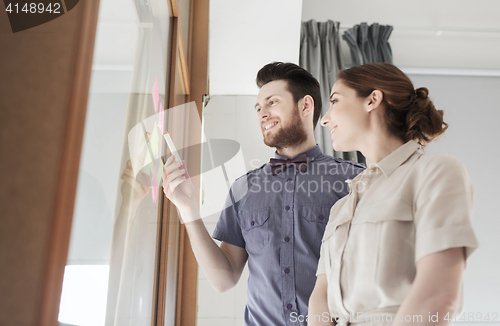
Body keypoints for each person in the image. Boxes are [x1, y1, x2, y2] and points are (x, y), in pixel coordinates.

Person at [162, 62, 364, 325]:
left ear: (305, 106)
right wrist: (187, 208)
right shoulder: (243, 189)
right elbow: (224, 280)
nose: (262, 114)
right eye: (258, 108)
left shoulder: (356, 180)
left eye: (272, 102)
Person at [308, 63, 479, 326]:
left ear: (372, 100)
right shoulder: (340, 207)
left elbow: (438, 294)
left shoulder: (435, 171)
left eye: (334, 101)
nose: (324, 119)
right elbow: (320, 298)